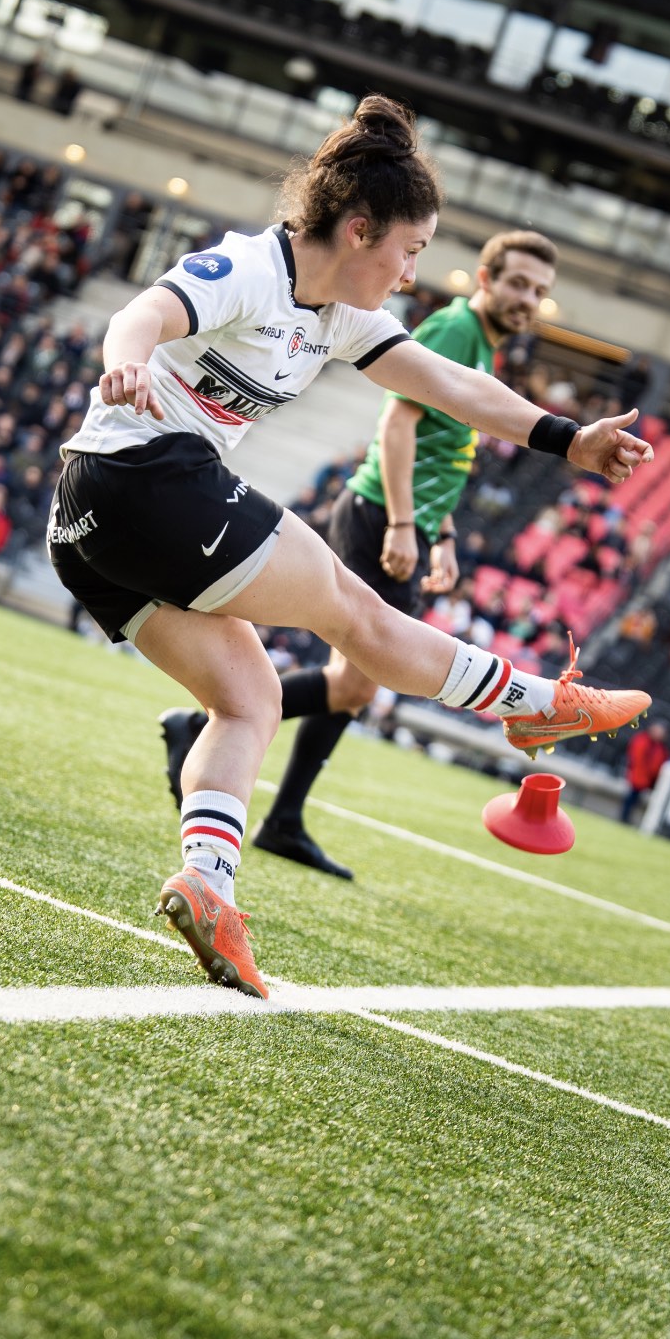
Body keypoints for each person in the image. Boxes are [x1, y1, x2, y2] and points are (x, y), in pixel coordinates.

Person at [46, 95, 653, 1000]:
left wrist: (570, 440)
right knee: (359, 618)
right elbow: (144, 312)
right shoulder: (252, 268)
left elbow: (451, 384)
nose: (413, 273)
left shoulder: (340, 314)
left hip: (84, 527)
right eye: (410, 251)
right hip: (148, 477)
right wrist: (127, 359)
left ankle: (208, 888)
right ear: (360, 229)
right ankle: (539, 704)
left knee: (248, 697)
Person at [160, 227, 560, 878]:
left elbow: (444, 449)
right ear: (485, 280)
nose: (527, 298)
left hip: (402, 519)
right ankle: (226, 750)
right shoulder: (457, 330)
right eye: (517, 282)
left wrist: (443, 530)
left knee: (353, 685)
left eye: (539, 291)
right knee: (360, 677)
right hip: (380, 515)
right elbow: (399, 423)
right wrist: (404, 525)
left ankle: (271, 799)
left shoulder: (480, 344)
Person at [620, 719, 670, 823]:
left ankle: (626, 818)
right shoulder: (643, 740)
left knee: (633, 800)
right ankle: (624, 818)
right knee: (630, 799)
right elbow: (636, 757)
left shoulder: (659, 748)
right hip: (638, 776)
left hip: (645, 778)